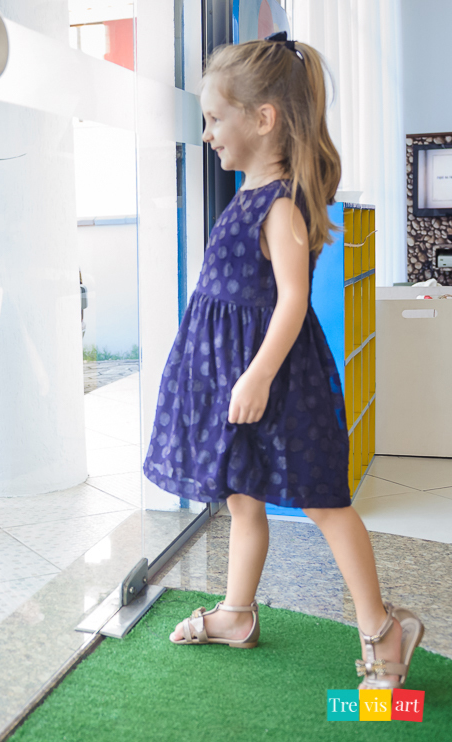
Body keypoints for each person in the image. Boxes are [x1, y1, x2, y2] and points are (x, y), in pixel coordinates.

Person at [143, 34, 424, 689]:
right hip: (238, 380)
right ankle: (238, 615)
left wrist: (258, 374)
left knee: (325, 502)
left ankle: (385, 631)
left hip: (276, 384)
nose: (207, 133)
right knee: (242, 498)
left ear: (263, 118)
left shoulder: (279, 205)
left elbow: (294, 300)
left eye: (215, 118)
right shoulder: (248, 197)